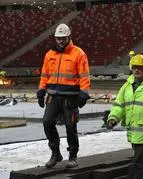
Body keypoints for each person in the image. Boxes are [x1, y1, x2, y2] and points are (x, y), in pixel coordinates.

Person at [37, 23, 90, 169]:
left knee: (70, 126)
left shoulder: (79, 54)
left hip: (70, 98)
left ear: (69, 37)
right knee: (47, 122)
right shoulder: (49, 55)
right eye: (58, 38)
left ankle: (72, 156)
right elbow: (44, 75)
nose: (60, 41)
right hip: (53, 97)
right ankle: (55, 153)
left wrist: (84, 93)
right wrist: (41, 91)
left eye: (63, 38)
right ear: (55, 38)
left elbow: (84, 75)